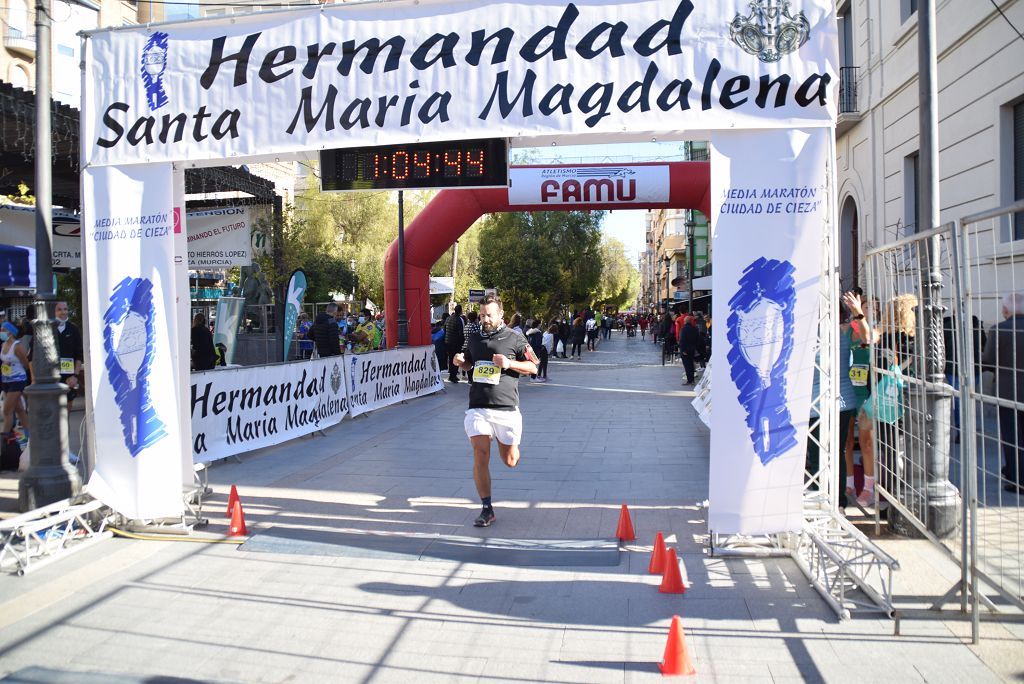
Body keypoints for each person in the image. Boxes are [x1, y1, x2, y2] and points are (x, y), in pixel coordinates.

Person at [452, 294, 538, 527]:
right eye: (482, 315)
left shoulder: (515, 338)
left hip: (507, 409)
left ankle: (512, 448)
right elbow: (470, 363)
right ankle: (486, 508)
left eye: (489, 315)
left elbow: (533, 365)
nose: (485, 319)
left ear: (501, 314)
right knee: (480, 454)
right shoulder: (474, 338)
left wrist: (509, 364)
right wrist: (462, 361)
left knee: (510, 460)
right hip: (478, 406)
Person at [981, 291, 1024, 494]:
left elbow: (988, 360)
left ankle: (1017, 479)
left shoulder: (999, 330)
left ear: (1006, 310)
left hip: (1009, 392)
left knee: (1012, 437)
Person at [1, 320, 31, 442]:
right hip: (6, 380)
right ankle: (29, 436)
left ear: (10, 332)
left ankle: (4, 438)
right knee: (19, 409)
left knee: (7, 410)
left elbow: (26, 364)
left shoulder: (17, 346)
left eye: (3, 329)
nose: (1, 331)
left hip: (18, 380)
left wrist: (13, 365)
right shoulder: (3, 345)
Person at [54, 301, 84, 410]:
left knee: (66, 412)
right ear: (54, 312)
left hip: (68, 377)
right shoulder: (49, 329)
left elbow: (78, 354)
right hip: (52, 377)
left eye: (65, 309)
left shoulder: (73, 329)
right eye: (60, 309)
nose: (63, 312)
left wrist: (75, 376)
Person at [445, 304, 466, 382]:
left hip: (448, 342)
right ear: (460, 311)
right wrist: (462, 343)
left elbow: (445, 329)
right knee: (456, 359)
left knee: (450, 359)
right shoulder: (459, 320)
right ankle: (453, 376)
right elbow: (461, 332)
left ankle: (451, 375)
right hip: (456, 343)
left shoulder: (448, 318)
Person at [678, 315, 699, 385]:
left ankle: (689, 380)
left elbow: (682, 340)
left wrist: (683, 350)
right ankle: (692, 379)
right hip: (692, 349)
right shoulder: (695, 329)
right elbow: (697, 339)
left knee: (687, 365)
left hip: (685, 350)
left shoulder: (684, 329)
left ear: (685, 321)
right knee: (691, 364)